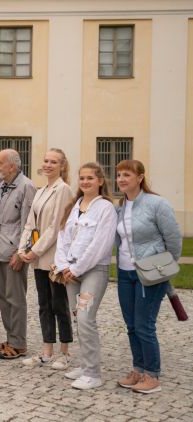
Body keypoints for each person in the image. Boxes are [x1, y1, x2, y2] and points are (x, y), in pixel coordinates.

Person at [115, 160, 182, 394]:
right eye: (119, 175)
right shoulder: (120, 207)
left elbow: (174, 239)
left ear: (140, 177)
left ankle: (152, 375)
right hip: (124, 273)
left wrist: (164, 266)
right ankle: (138, 369)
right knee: (131, 325)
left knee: (144, 325)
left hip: (150, 273)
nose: (122, 179)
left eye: (127, 175)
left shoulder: (157, 204)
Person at [54, 162, 117, 390]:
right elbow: (62, 238)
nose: (85, 182)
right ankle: (84, 365)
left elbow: (100, 245)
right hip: (70, 272)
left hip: (91, 272)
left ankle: (93, 374)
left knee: (85, 318)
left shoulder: (106, 209)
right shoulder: (75, 206)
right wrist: (63, 267)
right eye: (82, 178)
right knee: (76, 317)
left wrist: (77, 268)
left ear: (100, 181)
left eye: (90, 178)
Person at [17, 149, 74, 369]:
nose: (49, 165)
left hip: (54, 257)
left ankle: (65, 351)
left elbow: (56, 226)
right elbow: (31, 223)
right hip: (39, 257)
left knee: (59, 303)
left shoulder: (63, 190)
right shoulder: (41, 191)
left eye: (54, 162)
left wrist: (35, 251)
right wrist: (24, 248)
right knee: (44, 304)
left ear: (62, 166)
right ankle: (47, 350)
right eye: (46, 161)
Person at [0, 148, 36, 359]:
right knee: (3, 295)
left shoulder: (27, 186)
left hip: (15, 251)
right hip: (1, 248)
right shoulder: (3, 186)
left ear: (12, 166)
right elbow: (1, 217)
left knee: (15, 298)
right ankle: (11, 336)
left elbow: (29, 223)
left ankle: (19, 343)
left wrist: (21, 252)